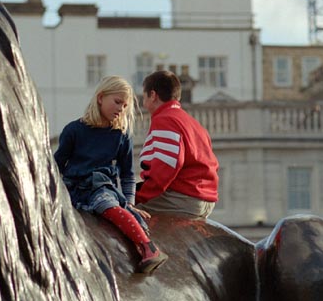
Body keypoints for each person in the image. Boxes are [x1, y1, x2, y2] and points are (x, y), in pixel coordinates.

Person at [55, 75, 168, 274]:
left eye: (125, 106)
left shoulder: (121, 136)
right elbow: (56, 165)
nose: (120, 109)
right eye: (117, 102)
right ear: (100, 98)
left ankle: (148, 247)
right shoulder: (73, 130)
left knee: (106, 204)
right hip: (73, 188)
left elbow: (127, 174)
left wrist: (130, 203)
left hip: (100, 188)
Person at [136, 70, 219, 218]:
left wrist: (138, 196)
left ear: (153, 95)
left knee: (124, 210)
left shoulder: (165, 119)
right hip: (205, 198)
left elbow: (166, 163)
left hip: (183, 197)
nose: (143, 102)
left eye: (144, 96)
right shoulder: (193, 123)